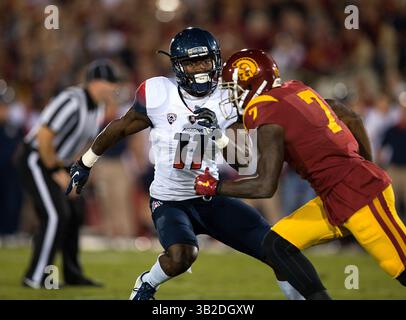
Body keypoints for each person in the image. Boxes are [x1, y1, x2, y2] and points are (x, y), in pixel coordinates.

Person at [66, 28, 330, 300]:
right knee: (182, 256)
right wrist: (85, 162)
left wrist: (218, 135)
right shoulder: (159, 93)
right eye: (192, 62)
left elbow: (243, 163)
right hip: (170, 200)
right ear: (178, 66)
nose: (200, 69)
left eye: (204, 60)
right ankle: (146, 284)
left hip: (209, 196)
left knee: (276, 248)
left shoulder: (229, 98)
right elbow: (120, 128)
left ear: (216, 60)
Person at [195, 49, 406, 289]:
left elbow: (264, 185)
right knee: (277, 244)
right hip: (335, 196)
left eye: (234, 88)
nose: (231, 96)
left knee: (401, 267)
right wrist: (220, 136)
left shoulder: (263, 109)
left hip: (358, 194)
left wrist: (215, 186)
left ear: (251, 82)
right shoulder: (295, 89)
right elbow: (349, 116)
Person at [16, 59, 119, 288]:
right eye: (108, 82)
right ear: (95, 83)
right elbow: (44, 136)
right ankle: (36, 277)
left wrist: (74, 171)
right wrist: (55, 171)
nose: (112, 88)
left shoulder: (97, 107)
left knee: (74, 213)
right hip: (37, 158)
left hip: (59, 162)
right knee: (55, 215)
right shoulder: (72, 100)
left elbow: (79, 143)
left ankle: (72, 274)